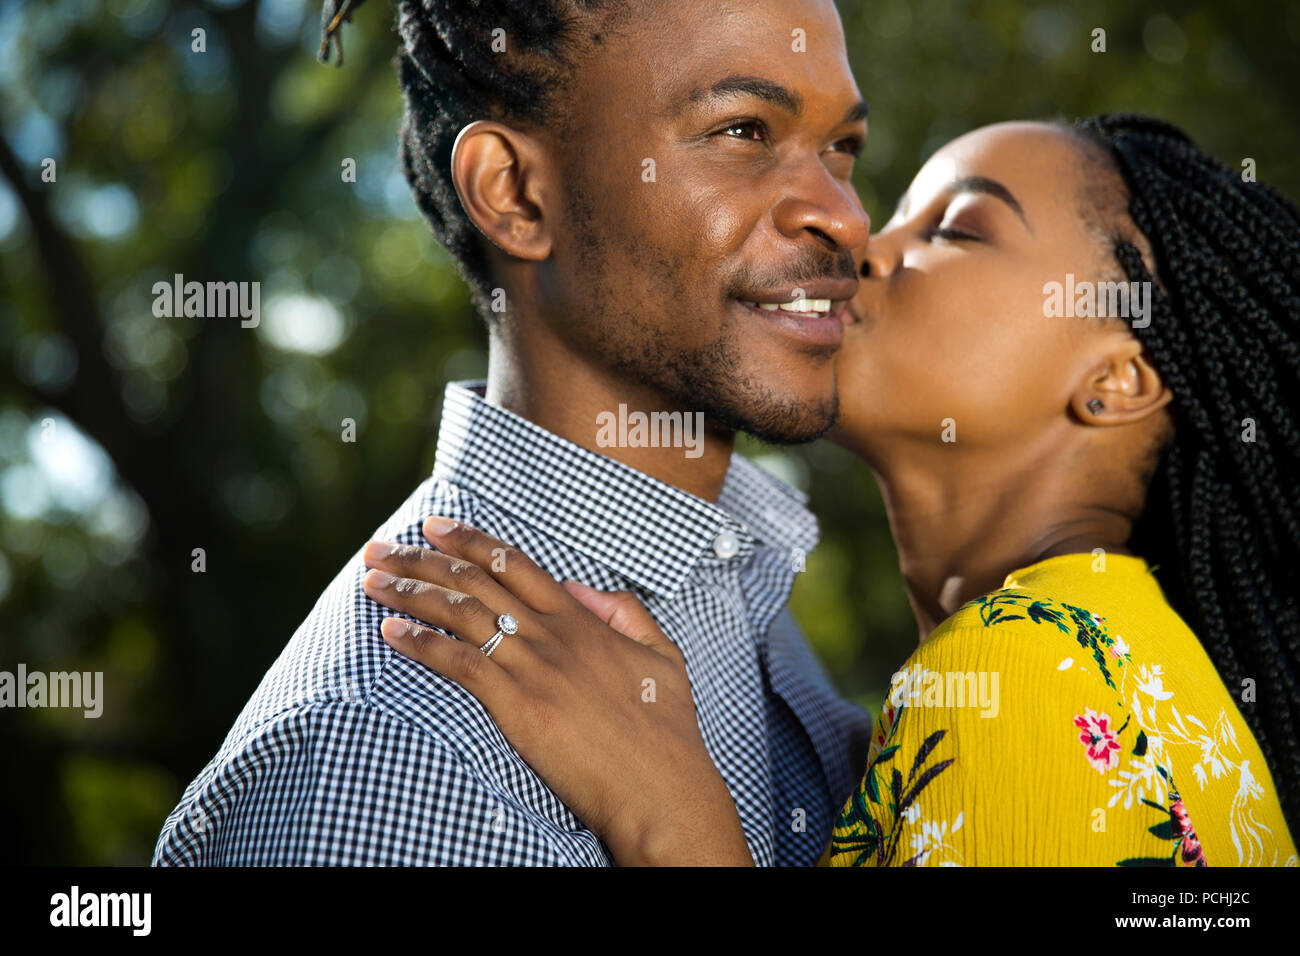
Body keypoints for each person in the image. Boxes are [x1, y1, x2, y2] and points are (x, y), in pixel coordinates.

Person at [364, 115, 1300, 865]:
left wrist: (674, 823)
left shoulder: (1029, 684)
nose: (862, 242)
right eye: (893, 213)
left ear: (1117, 382)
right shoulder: (1105, 656)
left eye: (959, 229)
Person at [152, 0, 876, 866]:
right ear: (514, 193)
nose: (846, 216)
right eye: (744, 131)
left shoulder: (741, 582)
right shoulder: (390, 760)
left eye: (841, 148)